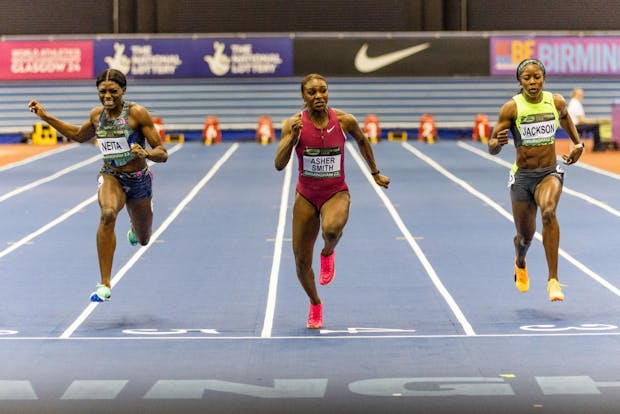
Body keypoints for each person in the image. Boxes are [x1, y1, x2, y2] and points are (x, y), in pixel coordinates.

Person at [28, 69, 168, 302]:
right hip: (111, 175)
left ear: (123, 90)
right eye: (102, 91)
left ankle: (135, 229)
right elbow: (78, 135)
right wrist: (46, 117)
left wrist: (147, 153)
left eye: (113, 91)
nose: (107, 96)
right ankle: (104, 283)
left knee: (143, 239)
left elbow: (162, 152)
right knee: (108, 214)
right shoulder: (97, 115)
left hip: (139, 179)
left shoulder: (137, 114)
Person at [275, 73, 390, 328]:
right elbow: (279, 165)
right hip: (306, 195)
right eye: (312, 92)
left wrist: (374, 172)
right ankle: (315, 303)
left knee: (331, 229)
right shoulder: (293, 124)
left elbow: (362, 140)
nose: (319, 96)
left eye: (323, 91)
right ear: (303, 97)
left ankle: (328, 251)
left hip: (336, 191)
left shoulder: (345, 121)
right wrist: (293, 139)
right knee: (302, 263)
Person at [488, 59, 584, 302]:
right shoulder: (511, 108)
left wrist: (578, 143)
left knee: (549, 212)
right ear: (519, 82)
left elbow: (565, 118)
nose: (533, 82)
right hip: (522, 178)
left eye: (537, 77)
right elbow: (491, 145)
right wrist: (496, 144)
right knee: (524, 237)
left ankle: (553, 280)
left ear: (544, 77)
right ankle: (520, 260)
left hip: (548, 174)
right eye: (527, 78)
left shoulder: (556, 101)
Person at [567, 87, 604, 152]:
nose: (582, 96)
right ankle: (597, 147)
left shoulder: (572, 102)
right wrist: (592, 121)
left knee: (595, 124)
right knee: (596, 125)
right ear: (576, 94)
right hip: (576, 127)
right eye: (580, 94)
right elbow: (581, 120)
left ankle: (597, 146)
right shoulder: (576, 103)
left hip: (573, 126)